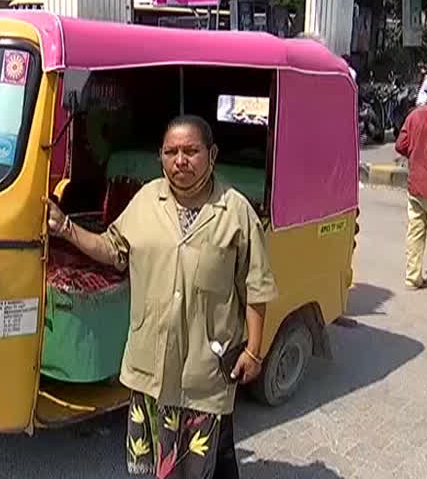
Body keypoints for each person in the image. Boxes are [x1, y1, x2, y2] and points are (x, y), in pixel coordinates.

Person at [47, 115, 278, 479]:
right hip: (148, 367)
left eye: (191, 151)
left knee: (198, 468)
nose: (180, 160)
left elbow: (256, 286)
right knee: (148, 466)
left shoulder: (236, 212)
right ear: (161, 157)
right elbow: (112, 248)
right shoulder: (146, 201)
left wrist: (254, 350)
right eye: (171, 152)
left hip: (205, 373)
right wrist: (66, 228)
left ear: (212, 155)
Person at [396, 89, 427, 295]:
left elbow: (400, 145)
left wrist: (415, 154)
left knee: (415, 233)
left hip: (416, 186)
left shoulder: (415, 115)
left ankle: (412, 278)